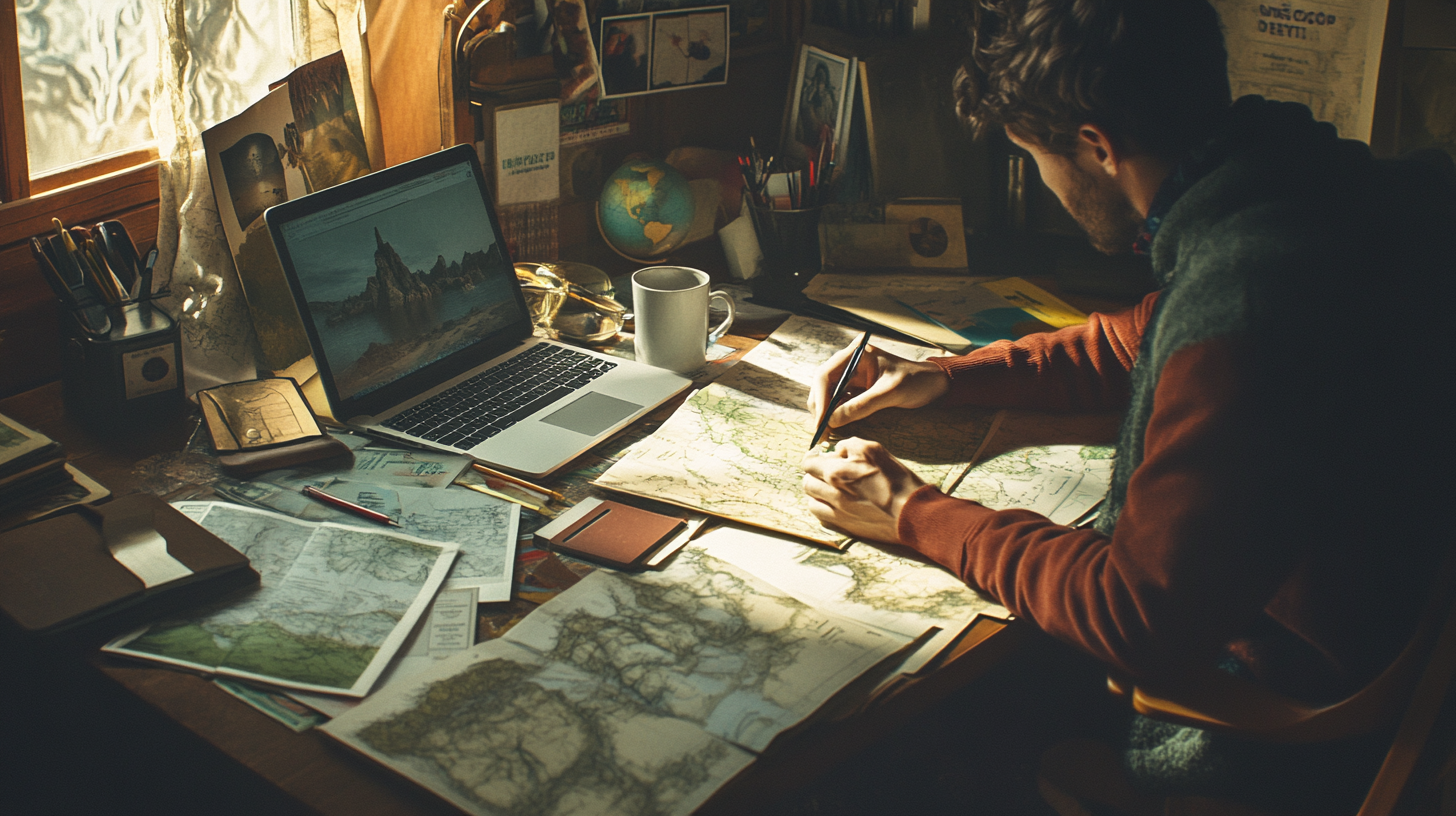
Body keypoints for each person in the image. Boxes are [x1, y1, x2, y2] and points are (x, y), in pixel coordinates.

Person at [801, 0, 1455, 809]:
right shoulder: (1321, 190)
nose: (1045, 180)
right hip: (1394, 628)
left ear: (1096, 147)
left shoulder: (1244, 294)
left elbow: (1135, 615)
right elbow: (1137, 338)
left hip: (1284, 722)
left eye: (1035, 156)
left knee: (917, 735)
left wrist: (913, 511)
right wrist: (949, 374)